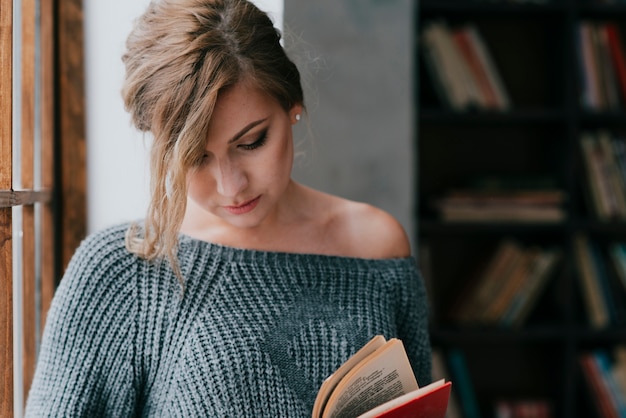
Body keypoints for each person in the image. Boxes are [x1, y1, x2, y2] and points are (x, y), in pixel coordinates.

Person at [25, 0, 431, 416]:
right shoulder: (121, 270)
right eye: (195, 158)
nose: (230, 185)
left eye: (251, 142)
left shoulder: (376, 248)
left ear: (293, 106)